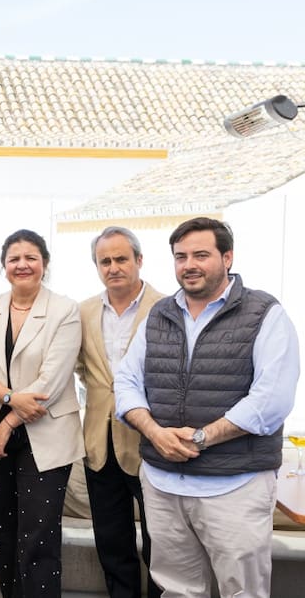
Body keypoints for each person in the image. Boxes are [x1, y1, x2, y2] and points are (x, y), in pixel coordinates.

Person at [114, 217, 300, 598]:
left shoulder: (266, 313)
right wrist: (154, 433)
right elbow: (127, 382)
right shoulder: (159, 315)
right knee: (177, 591)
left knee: (243, 592)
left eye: (201, 254)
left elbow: (272, 399)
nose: (189, 264)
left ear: (227, 257)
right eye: (180, 256)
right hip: (164, 483)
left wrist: (201, 438)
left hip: (237, 486)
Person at [0, 229, 83, 598]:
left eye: (31, 257)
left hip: (45, 433)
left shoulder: (65, 309)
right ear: (3, 267)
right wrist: (13, 400)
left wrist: (10, 419)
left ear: (44, 264)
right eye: (14, 258)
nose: (22, 265)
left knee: (38, 534)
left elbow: (52, 379)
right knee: (3, 531)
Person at [76, 227, 163, 598]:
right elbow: (82, 368)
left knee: (161, 547)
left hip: (152, 445)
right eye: (104, 261)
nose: (113, 267)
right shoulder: (83, 311)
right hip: (99, 443)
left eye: (121, 259)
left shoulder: (166, 307)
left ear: (139, 261)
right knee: (112, 545)